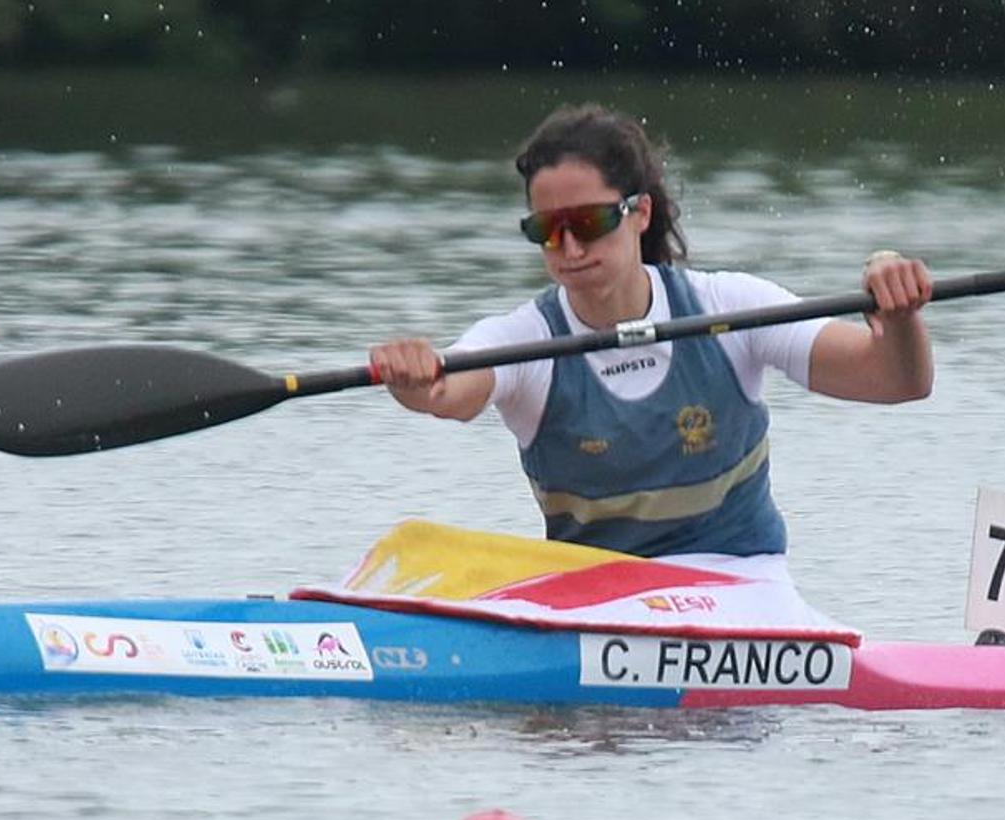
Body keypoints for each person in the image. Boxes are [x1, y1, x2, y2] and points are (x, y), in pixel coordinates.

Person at [369, 103, 932, 567]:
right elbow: (447, 394)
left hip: (743, 593)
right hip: (598, 604)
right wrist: (412, 375)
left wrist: (901, 315)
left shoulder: (729, 308)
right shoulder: (525, 339)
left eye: (588, 224)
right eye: (548, 230)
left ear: (639, 213)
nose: (569, 248)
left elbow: (896, 380)